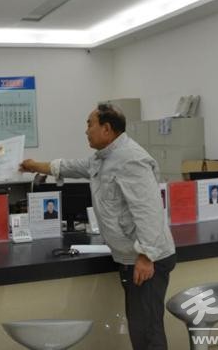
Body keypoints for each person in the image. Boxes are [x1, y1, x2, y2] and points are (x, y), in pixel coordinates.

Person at [20, 103, 176, 350]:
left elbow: (149, 210)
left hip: (147, 258)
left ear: (106, 128)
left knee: (147, 331)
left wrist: (147, 255)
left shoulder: (131, 159)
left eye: (89, 124)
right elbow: (73, 166)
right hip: (132, 256)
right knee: (141, 327)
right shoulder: (104, 157)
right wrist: (35, 166)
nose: (86, 131)